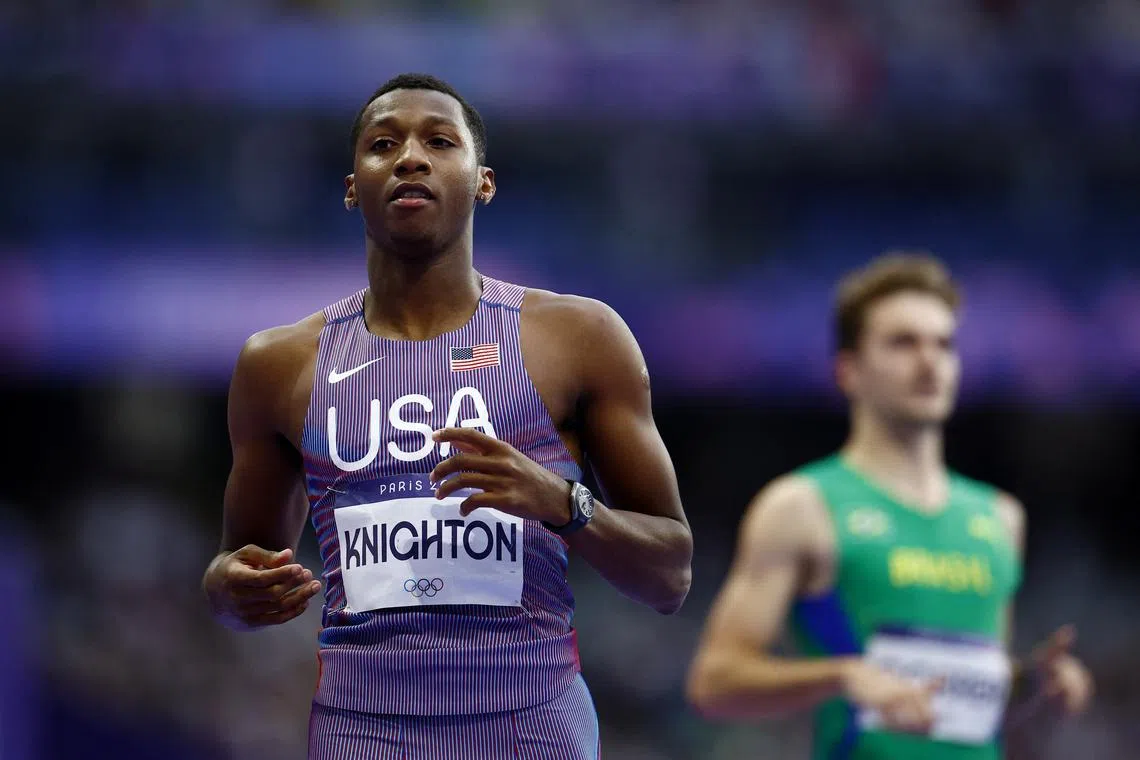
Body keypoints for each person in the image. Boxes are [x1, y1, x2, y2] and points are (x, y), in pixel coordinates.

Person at [201, 73, 693, 760]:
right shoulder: (279, 365)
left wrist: (563, 502)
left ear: (482, 181)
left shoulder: (577, 339)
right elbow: (237, 574)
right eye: (383, 144)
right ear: (352, 187)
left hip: (531, 727)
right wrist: (230, 590)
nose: (410, 157)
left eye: (439, 141)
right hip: (361, 730)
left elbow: (670, 576)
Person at [685, 253, 1093, 759]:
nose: (929, 361)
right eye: (903, 343)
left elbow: (964, 707)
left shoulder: (1000, 518)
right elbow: (714, 683)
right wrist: (843, 675)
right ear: (848, 371)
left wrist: (1035, 689)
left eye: (944, 344)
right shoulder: (802, 507)